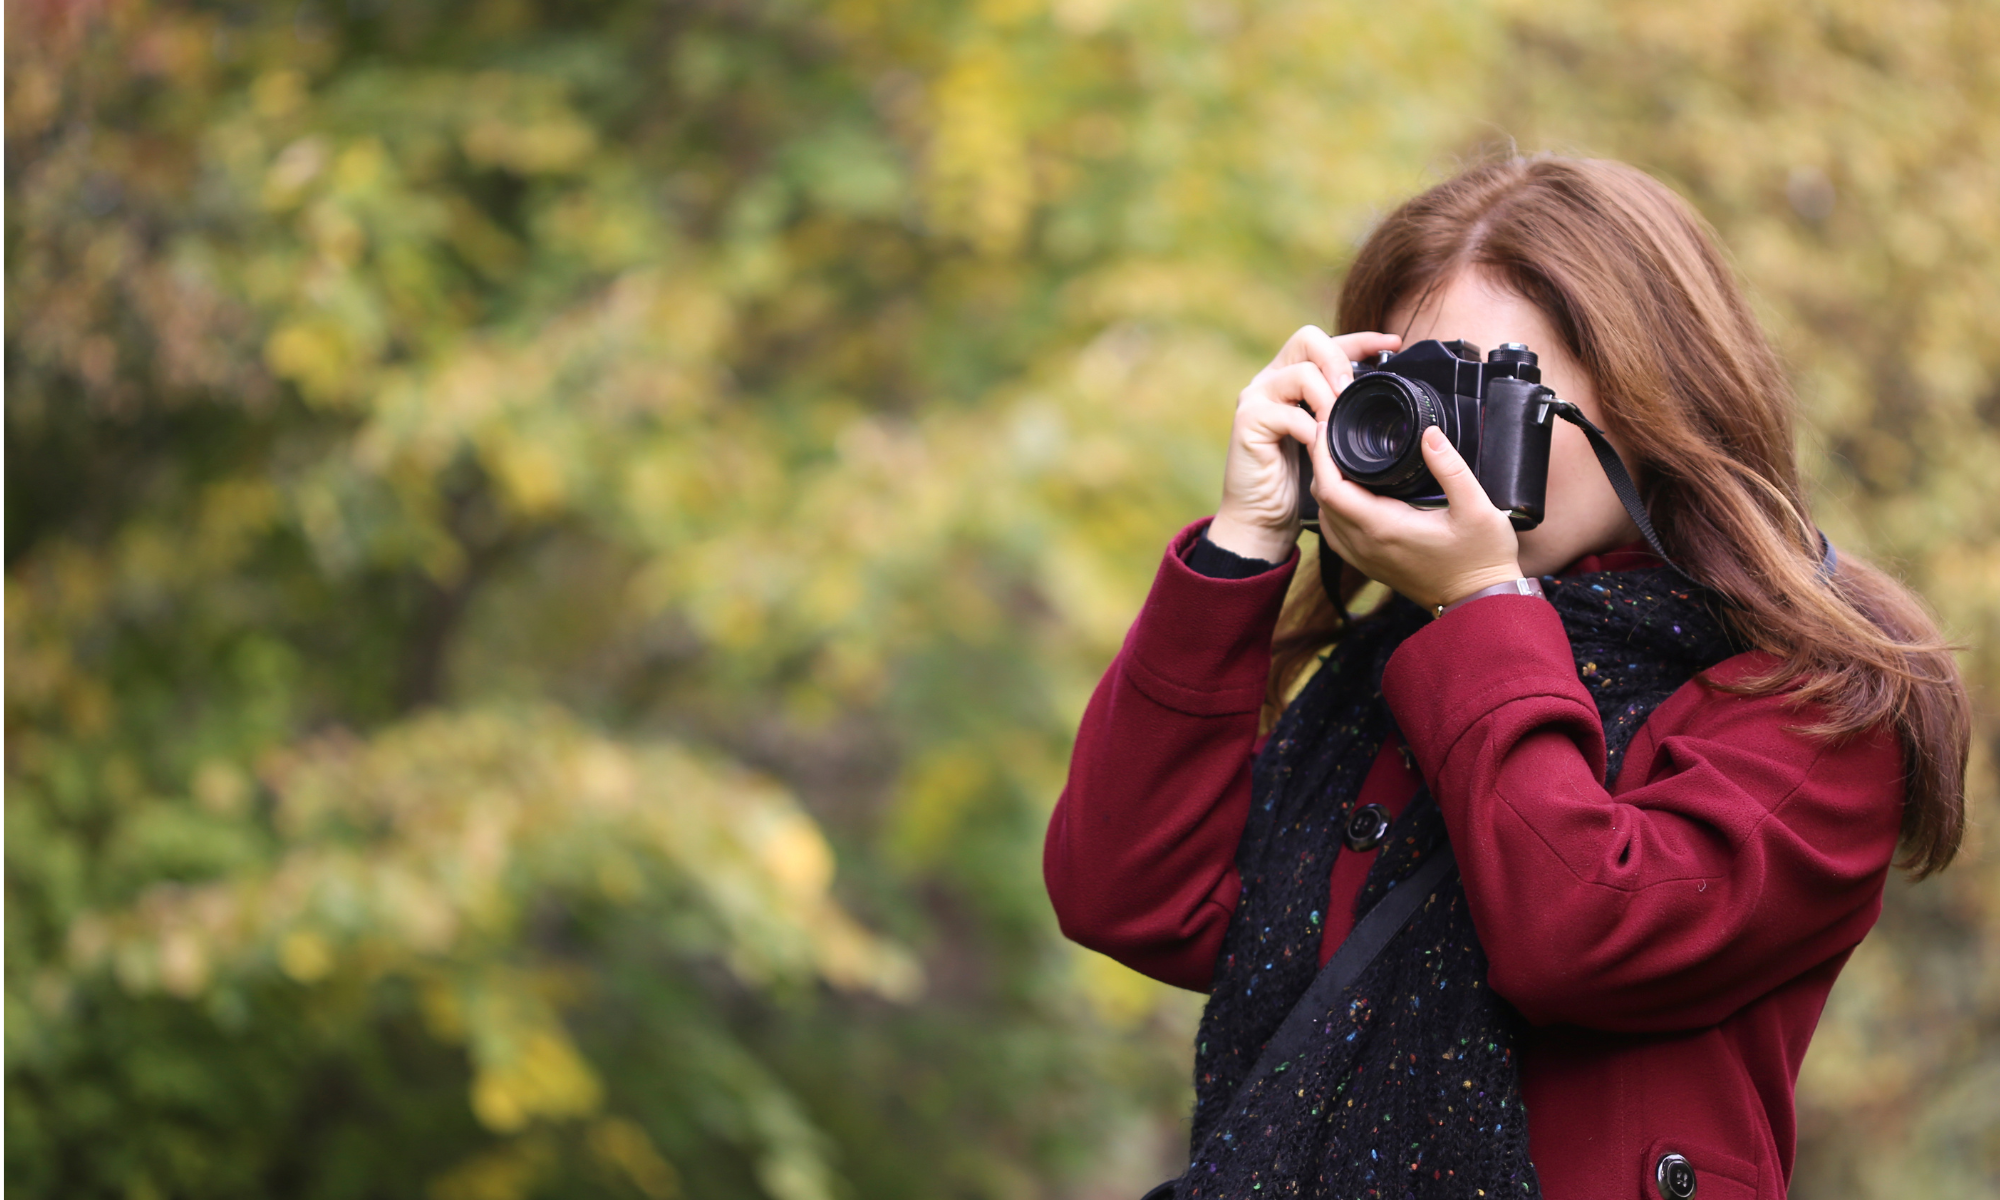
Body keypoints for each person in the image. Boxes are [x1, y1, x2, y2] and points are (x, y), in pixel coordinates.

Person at [1044, 156, 1969, 1200]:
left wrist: (1482, 609)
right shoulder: (1390, 668)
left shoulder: (1815, 708)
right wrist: (1242, 546)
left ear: (1655, 402)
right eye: (1416, 388)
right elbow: (1127, 898)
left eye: (1495, 390)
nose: (1441, 442)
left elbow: (1579, 936)